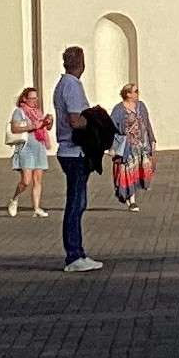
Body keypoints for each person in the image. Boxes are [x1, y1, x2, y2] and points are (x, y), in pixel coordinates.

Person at [53, 46, 102, 272]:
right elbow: (75, 120)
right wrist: (95, 123)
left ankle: (77, 252)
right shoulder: (72, 85)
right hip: (74, 151)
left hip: (68, 151)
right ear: (81, 62)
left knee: (77, 203)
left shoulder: (62, 84)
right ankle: (73, 255)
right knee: (76, 204)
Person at [6, 85, 53, 217]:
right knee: (26, 181)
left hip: (39, 147)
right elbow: (15, 128)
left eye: (35, 98)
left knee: (38, 180)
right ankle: (14, 199)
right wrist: (32, 126)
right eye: (31, 98)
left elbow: (46, 128)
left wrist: (48, 121)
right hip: (26, 148)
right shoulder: (19, 111)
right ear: (25, 99)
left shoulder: (38, 112)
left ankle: (36, 208)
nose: (34, 100)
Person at [112, 84, 155, 209]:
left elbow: (147, 123)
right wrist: (114, 144)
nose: (137, 93)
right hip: (127, 147)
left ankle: (130, 197)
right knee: (128, 172)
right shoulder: (118, 109)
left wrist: (152, 139)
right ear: (128, 94)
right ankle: (131, 200)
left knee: (137, 172)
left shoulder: (141, 106)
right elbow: (112, 126)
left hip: (141, 146)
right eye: (135, 91)